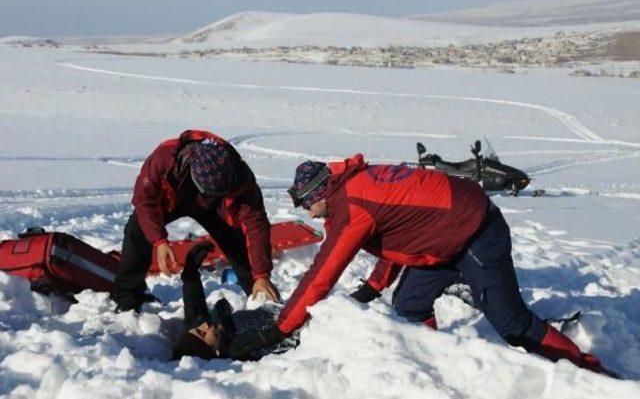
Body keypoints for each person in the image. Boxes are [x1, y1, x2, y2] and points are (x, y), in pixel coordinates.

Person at [229, 154, 610, 374]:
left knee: (512, 324)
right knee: (409, 305)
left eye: (304, 203)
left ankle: (588, 371)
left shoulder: (353, 206)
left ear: (318, 194)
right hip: (443, 236)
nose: (304, 212)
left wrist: (279, 329)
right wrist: (374, 285)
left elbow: (321, 275)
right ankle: (436, 366)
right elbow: (404, 231)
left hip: (476, 231)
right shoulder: (351, 188)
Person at [112, 130, 279, 313]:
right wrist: (159, 241)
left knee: (238, 246)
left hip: (215, 208)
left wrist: (262, 274)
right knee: (137, 229)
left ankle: (261, 300)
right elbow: (144, 201)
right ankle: (128, 298)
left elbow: (257, 226)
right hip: (175, 199)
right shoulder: (164, 158)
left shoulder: (241, 177)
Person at [172, 242, 296, 361]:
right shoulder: (241, 348)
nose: (205, 326)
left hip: (274, 308)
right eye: (202, 333)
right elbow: (284, 335)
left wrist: (190, 269)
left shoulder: (208, 329)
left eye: (198, 329)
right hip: (293, 320)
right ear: (215, 351)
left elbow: (193, 303)